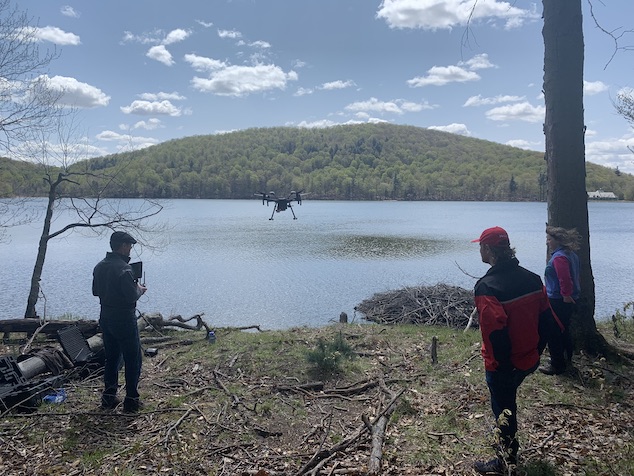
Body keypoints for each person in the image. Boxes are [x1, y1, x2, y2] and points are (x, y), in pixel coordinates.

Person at [471, 226, 557, 475]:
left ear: (488, 249)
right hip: (529, 359)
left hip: (503, 365)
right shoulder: (532, 279)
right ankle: (506, 445)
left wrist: (504, 366)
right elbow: (548, 321)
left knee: (504, 408)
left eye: (481, 246)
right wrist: (538, 351)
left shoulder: (487, 287)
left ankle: (505, 461)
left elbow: (495, 335)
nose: (479, 250)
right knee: (507, 402)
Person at [92, 231, 147, 412]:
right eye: (129, 246)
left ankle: (109, 397)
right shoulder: (124, 269)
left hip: (105, 316)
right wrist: (140, 289)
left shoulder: (100, 266)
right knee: (133, 358)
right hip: (124, 318)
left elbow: (95, 291)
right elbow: (132, 295)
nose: (130, 250)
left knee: (112, 357)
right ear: (123, 246)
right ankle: (131, 400)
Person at [539, 225, 581, 375]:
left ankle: (557, 364)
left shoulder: (560, 258)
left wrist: (566, 295)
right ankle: (565, 359)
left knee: (554, 332)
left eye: (549, 239)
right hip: (565, 299)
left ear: (557, 241)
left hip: (558, 300)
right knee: (564, 330)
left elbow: (565, 278)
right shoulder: (570, 254)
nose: (547, 242)